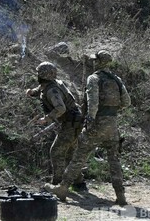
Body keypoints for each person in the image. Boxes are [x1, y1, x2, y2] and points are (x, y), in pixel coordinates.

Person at [44, 50, 131, 206]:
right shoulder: (117, 80)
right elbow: (127, 102)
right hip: (113, 126)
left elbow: (93, 102)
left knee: (79, 156)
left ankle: (63, 188)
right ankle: (121, 195)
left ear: (98, 62)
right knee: (114, 161)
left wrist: (90, 120)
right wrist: (111, 112)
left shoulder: (94, 78)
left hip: (96, 125)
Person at [26, 61, 85, 188]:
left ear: (42, 75)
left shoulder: (52, 90)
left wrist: (46, 119)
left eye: (38, 73)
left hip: (71, 123)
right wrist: (32, 92)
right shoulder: (52, 84)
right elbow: (42, 90)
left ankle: (57, 183)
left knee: (56, 152)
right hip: (74, 121)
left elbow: (60, 108)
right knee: (70, 152)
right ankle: (79, 183)